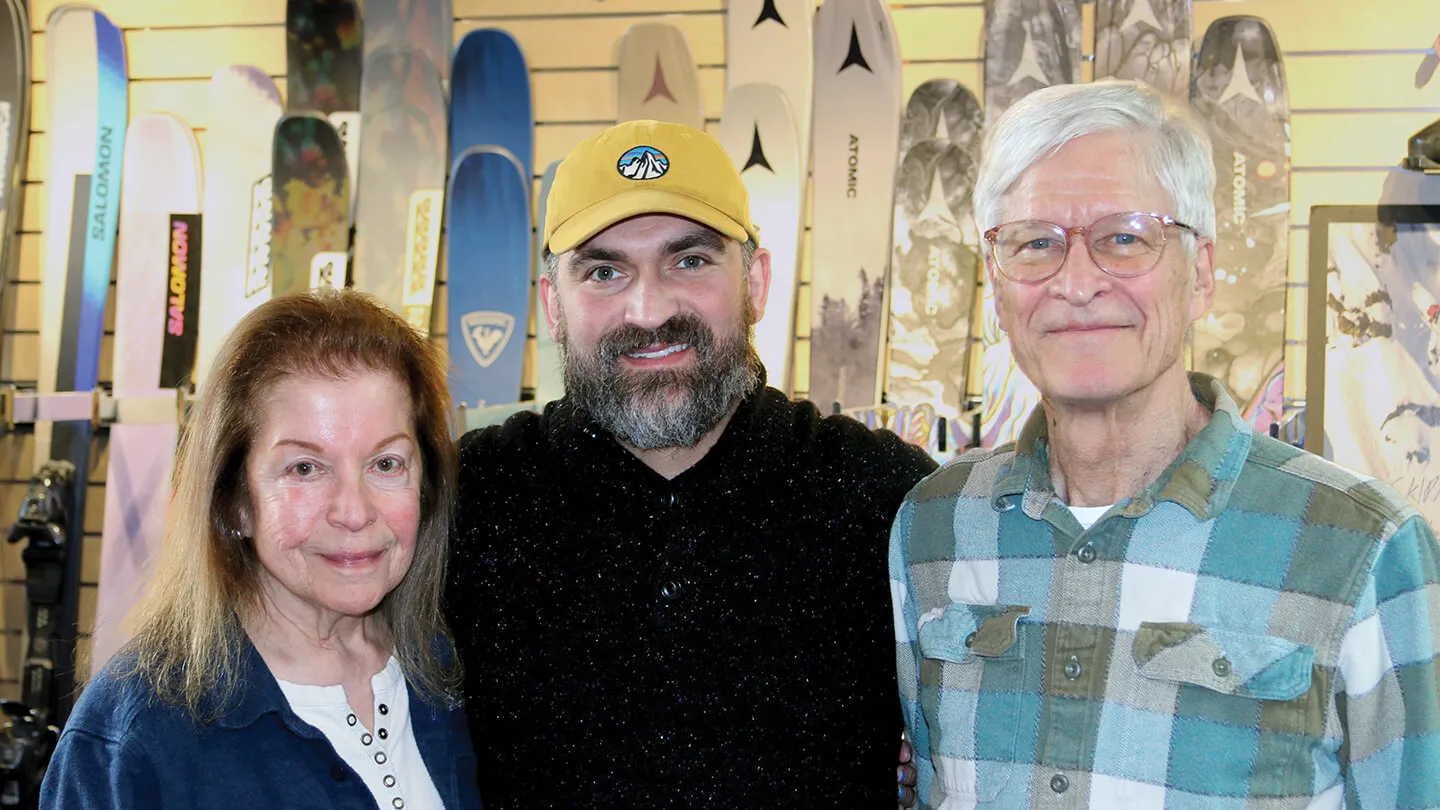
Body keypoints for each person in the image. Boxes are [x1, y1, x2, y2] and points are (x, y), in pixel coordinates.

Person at [890, 79, 1440, 806]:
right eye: (1035, 243)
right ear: (996, 285)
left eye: (1124, 238)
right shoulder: (932, 527)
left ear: (1201, 273)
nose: (1076, 283)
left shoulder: (1363, 549)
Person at [445, 119, 937, 807]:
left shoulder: (885, 495)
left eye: (691, 261)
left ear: (756, 282)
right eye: (604, 271)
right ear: (552, 305)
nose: (648, 311)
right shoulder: (465, 499)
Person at [41, 290, 482, 809]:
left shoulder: (442, 672)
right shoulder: (135, 735)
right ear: (234, 504)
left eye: (386, 464)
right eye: (305, 468)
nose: (354, 511)